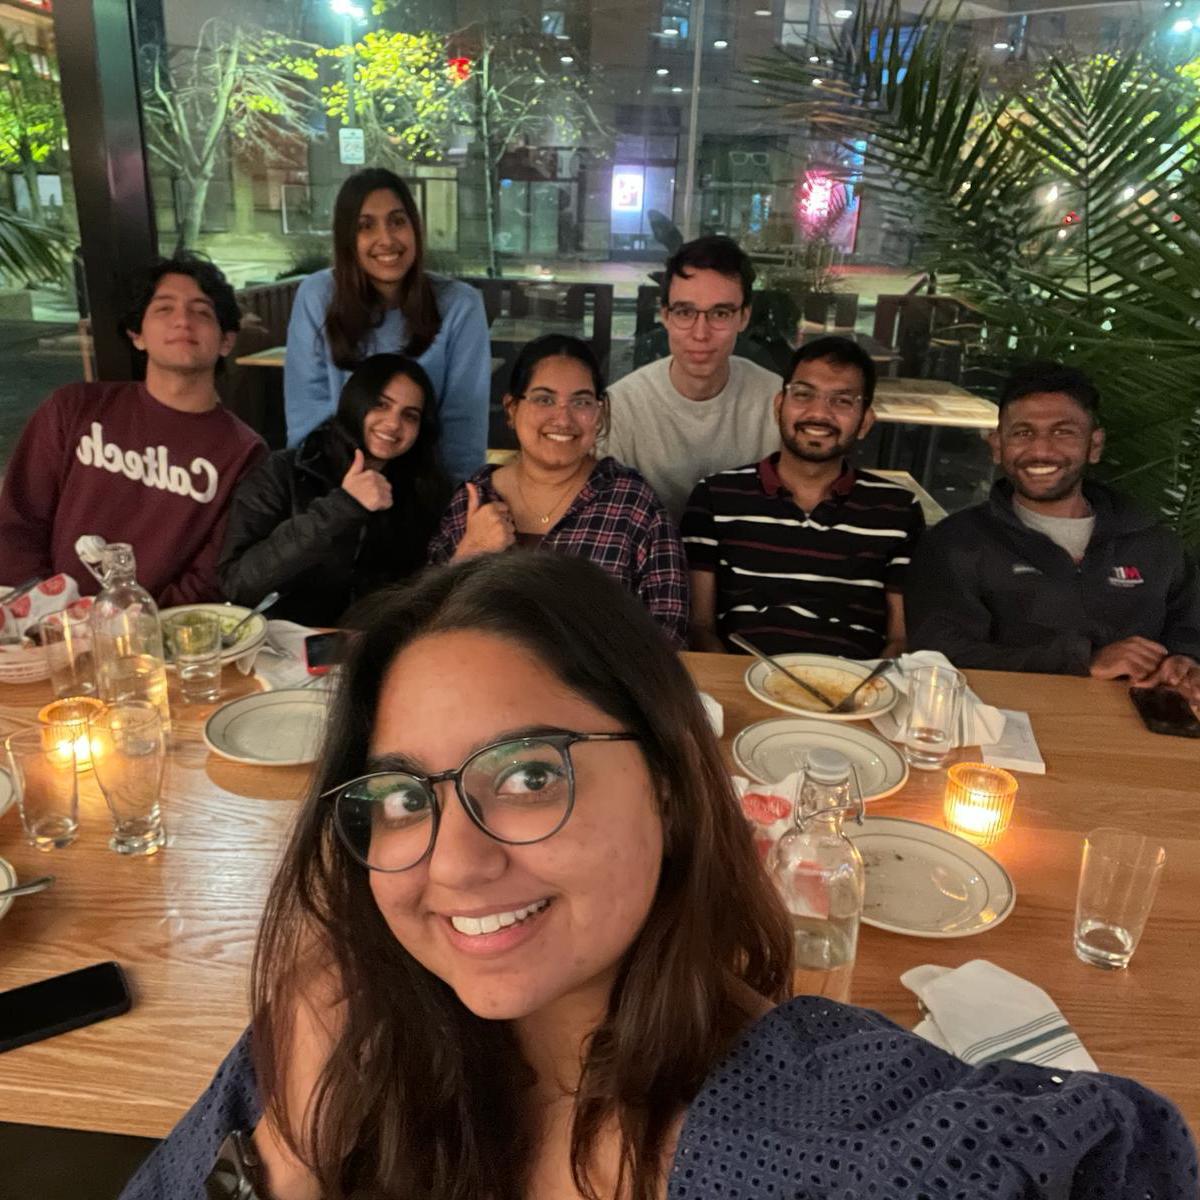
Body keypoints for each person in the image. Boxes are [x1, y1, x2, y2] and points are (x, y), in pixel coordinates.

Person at [119, 553, 1196, 1200]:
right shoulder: (329, 1041)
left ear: (677, 785)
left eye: (530, 774)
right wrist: (288, 1159)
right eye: (399, 797)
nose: (452, 859)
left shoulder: (817, 1125)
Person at [907, 363, 1200, 701]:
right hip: (1008, 728)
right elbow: (938, 655)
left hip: (1143, 732)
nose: (1042, 450)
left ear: (1094, 445)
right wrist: (1082, 660)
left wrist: (1184, 660)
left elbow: (1190, 628)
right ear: (997, 446)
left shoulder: (1153, 542)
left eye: (1063, 432)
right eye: (1023, 433)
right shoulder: (956, 543)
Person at [0, 255, 265, 606]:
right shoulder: (73, 407)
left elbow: (210, 575)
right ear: (137, 334)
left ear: (226, 341)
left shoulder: (245, 452)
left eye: (201, 312)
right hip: (46, 632)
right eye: (164, 309)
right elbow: (18, 521)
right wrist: (48, 613)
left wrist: (137, 628)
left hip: (156, 643)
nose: (183, 321)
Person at [428, 334, 688, 646]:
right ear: (511, 408)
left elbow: (668, 632)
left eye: (581, 402)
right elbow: (425, 624)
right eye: (544, 399)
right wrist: (470, 552)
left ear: (599, 412)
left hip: (596, 691)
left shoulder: (632, 504)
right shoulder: (474, 499)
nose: (563, 419)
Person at [682, 336, 924, 658]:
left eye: (841, 401)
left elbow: (900, 640)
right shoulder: (715, 497)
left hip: (854, 691)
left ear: (865, 421)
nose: (818, 413)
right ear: (779, 405)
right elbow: (700, 628)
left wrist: (865, 697)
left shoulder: (897, 510)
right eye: (804, 394)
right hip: (745, 689)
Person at [284, 168, 490, 482]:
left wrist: (454, 511)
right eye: (366, 226)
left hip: (426, 489)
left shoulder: (460, 305)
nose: (387, 239)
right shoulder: (318, 296)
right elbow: (308, 416)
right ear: (347, 239)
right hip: (338, 485)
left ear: (415, 228)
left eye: (397, 221)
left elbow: (464, 425)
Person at [218, 354, 451, 626]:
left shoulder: (423, 487)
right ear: (355, 402)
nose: (393, 423)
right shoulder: (285, 471)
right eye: (381, 405)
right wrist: (343, 506)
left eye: (409, 415)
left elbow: (421, 594)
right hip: (283, 650)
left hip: (372, 648)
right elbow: (237, 584)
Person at [600, 235, 781, 522]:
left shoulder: (777, 401)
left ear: (744, 317)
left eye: (720, 313)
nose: (700, 333)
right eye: (685, 312)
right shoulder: (621, 407)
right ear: (665, 316)